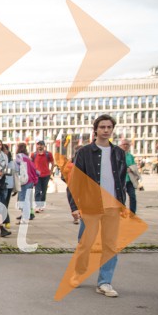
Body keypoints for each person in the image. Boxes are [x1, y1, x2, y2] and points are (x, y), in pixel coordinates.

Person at [67, 114, 127, 297]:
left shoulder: (119, 153)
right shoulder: (85, 152)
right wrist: (74, 206)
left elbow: (121, 180)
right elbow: (75, 182)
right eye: (102, 127)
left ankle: (105, 282)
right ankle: (78, 273)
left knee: (110, 245)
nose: (106, 130)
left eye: (109, 127)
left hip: (113, 206)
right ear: (96, 130)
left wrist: (122, 204)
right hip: (91, 206)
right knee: (85, 244)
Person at [15, 143, 39, 224]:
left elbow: (16, 169)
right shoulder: (27, 158)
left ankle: (24, 218)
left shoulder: (19, 156)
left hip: (23, 181)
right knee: (27, 200)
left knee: (22, 200)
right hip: (30, 180)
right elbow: (34, 169)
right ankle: (25, 217)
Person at [30, 141, 54, 213]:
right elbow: (31, 164)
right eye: (38, 145)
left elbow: (53, 163)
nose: (40, 146)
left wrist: (51, 171)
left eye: (41, 145)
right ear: (36, 146)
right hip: (37, 176)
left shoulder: (48, 154)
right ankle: (37, 206)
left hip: (46, 175)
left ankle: (42, 205)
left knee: (44, 191)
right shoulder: (33, 154)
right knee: (37, 191)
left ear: (44, 146)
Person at [119, 139, 140, 214]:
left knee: (132, 196)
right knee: (121, 197)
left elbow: (134, 166)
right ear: (120, 146)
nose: (125, 146)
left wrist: (130, 168)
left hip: (129, 179)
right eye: (124, 144)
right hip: (121, 180)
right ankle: (122, 212)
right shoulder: (116, 155)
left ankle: (132, 212)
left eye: (127, 144)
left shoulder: (130, 156)